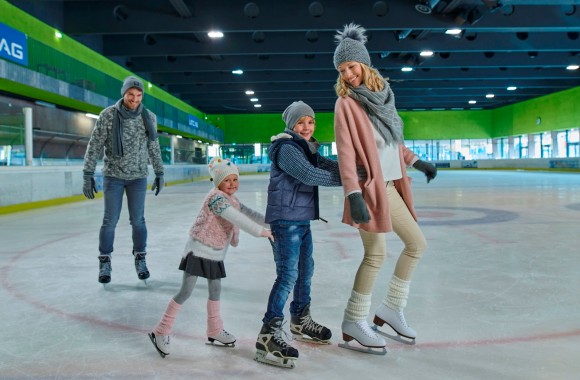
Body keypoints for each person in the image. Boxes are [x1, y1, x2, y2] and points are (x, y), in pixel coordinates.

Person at [332, 24, 437, 353]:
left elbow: (393, 145)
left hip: (393, 184)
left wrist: (417, 162)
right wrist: (353, 193)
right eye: (341, 70)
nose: (347, 74)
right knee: (375, 254)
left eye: (351, 66)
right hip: (369, 188)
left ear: (364, 64)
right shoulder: (346, 105)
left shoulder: (383, 99)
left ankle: (391, 308)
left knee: (416, 244)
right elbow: (346, 153)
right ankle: (354, 320)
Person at [149, 157, 273, 358]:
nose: (232, 184)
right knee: (185, 292)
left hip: (214, 252)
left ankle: (214, 329)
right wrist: (261, 232)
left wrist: (272, 222)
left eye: (235, 179)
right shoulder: (216, 199)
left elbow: (249, 213)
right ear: (217, 182)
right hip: (199, 250)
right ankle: (160, 330)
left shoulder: (233, 200)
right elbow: (237, 219)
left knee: (215, 291)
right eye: (227, 180)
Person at [254, 101, 342, 369]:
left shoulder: (308, 147)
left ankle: (300, 320)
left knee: (305, 271)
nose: (307, 126)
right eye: (301, 122)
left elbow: (330, 166)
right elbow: (309, 175)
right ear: (290, 125)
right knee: (288, 275)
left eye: (311, 122)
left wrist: (358, 170)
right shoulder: (287, 147)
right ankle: (268, 335)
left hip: (301, 219)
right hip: (285, 221)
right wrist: (349, 179)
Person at [82, 76, 165, 285]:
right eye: (131, 95)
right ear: (124, 93)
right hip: (113, 176)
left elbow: (153, 146)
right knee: (110, 220)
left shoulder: (149, 117)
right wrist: (88, 174)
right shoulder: (108, 115)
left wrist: (159, 172)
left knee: (138, 220)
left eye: (138, 96)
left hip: (138, 177)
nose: (134, 100)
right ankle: (105, 262)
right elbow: (94, 145)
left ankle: (140, 259)